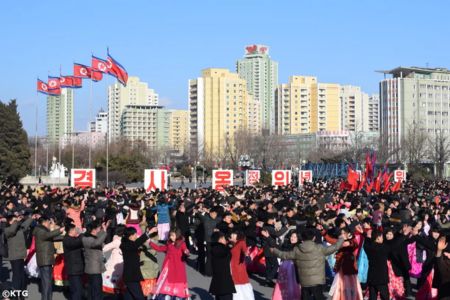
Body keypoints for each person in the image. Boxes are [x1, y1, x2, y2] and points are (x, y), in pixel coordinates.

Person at [272, 228, 344, 300]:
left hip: (304, 281)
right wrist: (341, 238)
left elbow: (284, 255)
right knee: (318, 297)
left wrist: (274, 250)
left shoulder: (297, 249)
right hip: (317, 280)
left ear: (302, 238)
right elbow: (335, 247)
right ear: (314, 238)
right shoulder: (319, 248)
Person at [150, 229, 190, 299]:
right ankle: (168, 294)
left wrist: (187, 252)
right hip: (169, 267)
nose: (171, 237)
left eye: (173, 235)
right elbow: (160, 248)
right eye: (170, 235)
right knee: (167, 282)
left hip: (178, 267)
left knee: (178, 282)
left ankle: (177, 295)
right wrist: (150, 243)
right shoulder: (169, 244)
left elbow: (185, 250)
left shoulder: (182, 243)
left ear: (177, 235)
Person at [33, 216, 64, 300]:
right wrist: (59, 230)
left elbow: (53, 237)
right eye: (49, 222)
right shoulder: (40, 230)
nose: (49, 224)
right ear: (45, 222)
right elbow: (49, 235)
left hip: (46, 259)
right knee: (46, 283)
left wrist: (65, 235)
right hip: (45, 260)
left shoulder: (42, 230)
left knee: (48, 282)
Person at [120, 226, 153, 300]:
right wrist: (148, 233)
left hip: (131, 276)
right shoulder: (127, 245)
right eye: (135, 234)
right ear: (130, 236)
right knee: (140, 297)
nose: (136, 236)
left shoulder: (129, 244)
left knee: (129, 296)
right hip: (131, 276)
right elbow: (137, 243)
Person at [4, 213, 33, 295]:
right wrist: (17, 221)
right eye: (14, 221)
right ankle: (16, 294)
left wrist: (31, 218)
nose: (16, 221)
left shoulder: (18, 228)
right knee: (17, 276)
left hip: (21, 255)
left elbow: (24, 226)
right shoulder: (7, 230)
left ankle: (22, 293)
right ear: (10, 222)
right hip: (14, 256)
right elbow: (12, 230)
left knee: (22, 275)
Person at [82, 220, 108, 300]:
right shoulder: (86, 239)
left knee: (94, 290)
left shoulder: (91, 237)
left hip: (95, 268)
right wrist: (104, 231)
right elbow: (97, 243)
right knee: (96, 290)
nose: (99, 230)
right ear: (93, 230)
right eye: (98, 229)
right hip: (93, 269)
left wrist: (103, 229)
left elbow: (99, 241)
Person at [209, 231, 236, 300]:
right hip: (225, 284)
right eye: (224, 238)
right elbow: (228, 253)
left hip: (218, 282)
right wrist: (232, 243)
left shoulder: (214, 249)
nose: (225, 240)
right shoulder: (222, 249)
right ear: (220, 239)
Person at [363, 230, 389, 300]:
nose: (383, 238)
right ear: (377, 238)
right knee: (385, 296)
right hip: (381, 277)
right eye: (382, 237)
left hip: (372, 276)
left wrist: (367, 237)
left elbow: (366, 244)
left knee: (372, 296)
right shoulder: (383, 247)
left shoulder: (368, 247)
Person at [229, 231, 254, 300]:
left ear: (238, 236)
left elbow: (244, 250)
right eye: (232, 234)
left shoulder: (241, 242)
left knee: (240, 282)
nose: (232, 235)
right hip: (233, 266)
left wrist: (246, 255)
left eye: (234, 234)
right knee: (236, 282)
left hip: (238, 267)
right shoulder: (234, 244)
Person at [63, 223, 84, 300]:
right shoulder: (67, 239)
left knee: (78, 289)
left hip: (77, 268)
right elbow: (76, 243)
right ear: (71, 231)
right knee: (76, 290)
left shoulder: (73, 238)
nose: (76, 231)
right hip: (73, 269)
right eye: (75, 229)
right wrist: (81, 234)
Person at [102, 225, 125, 294]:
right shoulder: (123, 240)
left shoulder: (116, 241)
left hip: (115, 264)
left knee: (112, 282)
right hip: (122, 264)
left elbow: (104, 248)